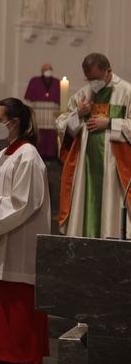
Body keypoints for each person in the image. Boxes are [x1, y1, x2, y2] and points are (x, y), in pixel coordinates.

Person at [0, 97, 52, 364]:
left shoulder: (28, 156)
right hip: (2, 233)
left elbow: (24, 201)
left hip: (19, 234)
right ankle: (0, 354)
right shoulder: (2, 155)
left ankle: (17, 357)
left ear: (15, 121)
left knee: (16, 299)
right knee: (0, 295)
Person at [56, 53, 131, 238]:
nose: (92, 83)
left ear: (108, 72)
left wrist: (111, 123)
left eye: (95, 79)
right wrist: (79, 114)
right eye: (88, 79)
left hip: (114, 168)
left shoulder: (126, 92)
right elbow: (62, 126)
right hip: (85, 167)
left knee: (110, 210)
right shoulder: (83, 94)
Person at [24, 62, 60, 161]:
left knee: (51, 134)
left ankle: (50, 155)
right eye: (46, 69)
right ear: (42, 71)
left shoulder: (57, 82)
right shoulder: (35, 81)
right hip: (39, 110)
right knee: (40, 132)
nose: (48, 71)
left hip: (51, 111)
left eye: (49, 69)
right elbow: (28, 97)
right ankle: (39, 153)